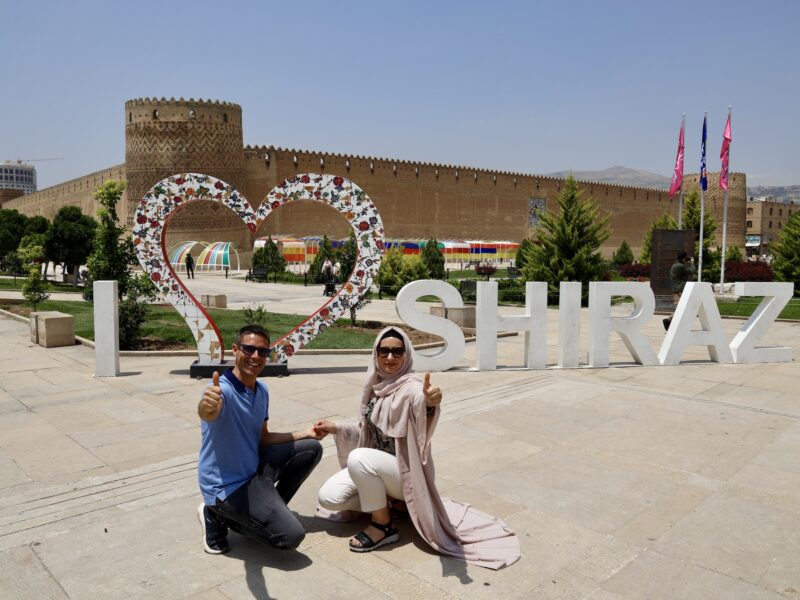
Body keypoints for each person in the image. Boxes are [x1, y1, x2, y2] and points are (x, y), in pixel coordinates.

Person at [314, 326, 520, 569]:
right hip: (378, 469)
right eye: (384, 351)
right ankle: (392, 505)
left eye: (397, 352)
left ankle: (383, 525)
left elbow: (421, 403)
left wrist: (431, 402)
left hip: (406, 475)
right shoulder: (376, 386)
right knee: (329, 498)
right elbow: (368, 432)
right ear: (376, 353)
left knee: (358, 458)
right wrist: (336, 428)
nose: (390, 358)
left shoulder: (410, 386)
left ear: (407, 355)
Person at [196, 324, 324, 554]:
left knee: (311, 448)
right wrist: (207, 406)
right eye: (248, 349)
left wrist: (305, 433)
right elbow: (208, 412)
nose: (255, 356)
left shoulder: (261, 390)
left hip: (252, 469)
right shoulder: (220, 391)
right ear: (235, 350)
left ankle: (266, 510)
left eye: (262, 352)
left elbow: (263, 438)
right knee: (290, 536)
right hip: (227, 486)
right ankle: (214, 514)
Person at [663, 251, 696, 331]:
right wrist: (692, 262)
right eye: (686, 257)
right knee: (680, 309)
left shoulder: (676, 265)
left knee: (681, 309)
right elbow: (692, 271)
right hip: (679, 290)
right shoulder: (680, 266)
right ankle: (668, 321)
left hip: (677, 290)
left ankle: (671, 322)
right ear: (684, 258)